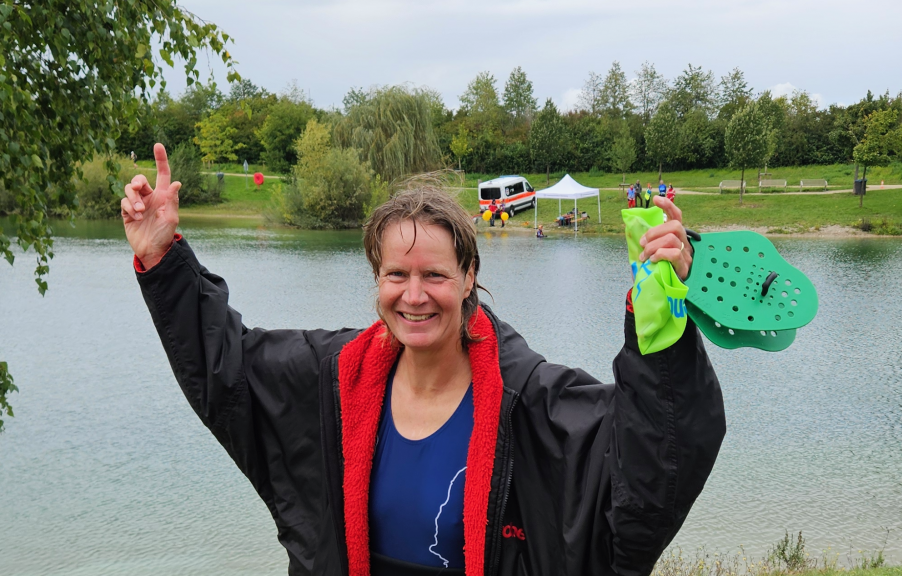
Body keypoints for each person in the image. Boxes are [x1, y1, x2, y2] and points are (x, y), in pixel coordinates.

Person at [121, 143, 725, 576]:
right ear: (376, 280)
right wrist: (162, 260)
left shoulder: (532, 402)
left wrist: (660, 316)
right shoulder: (331, 378)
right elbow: (227, 373)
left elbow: (653, 465)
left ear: (468, 278)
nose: (413, 295)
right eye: (396, 275)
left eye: (434, 274)